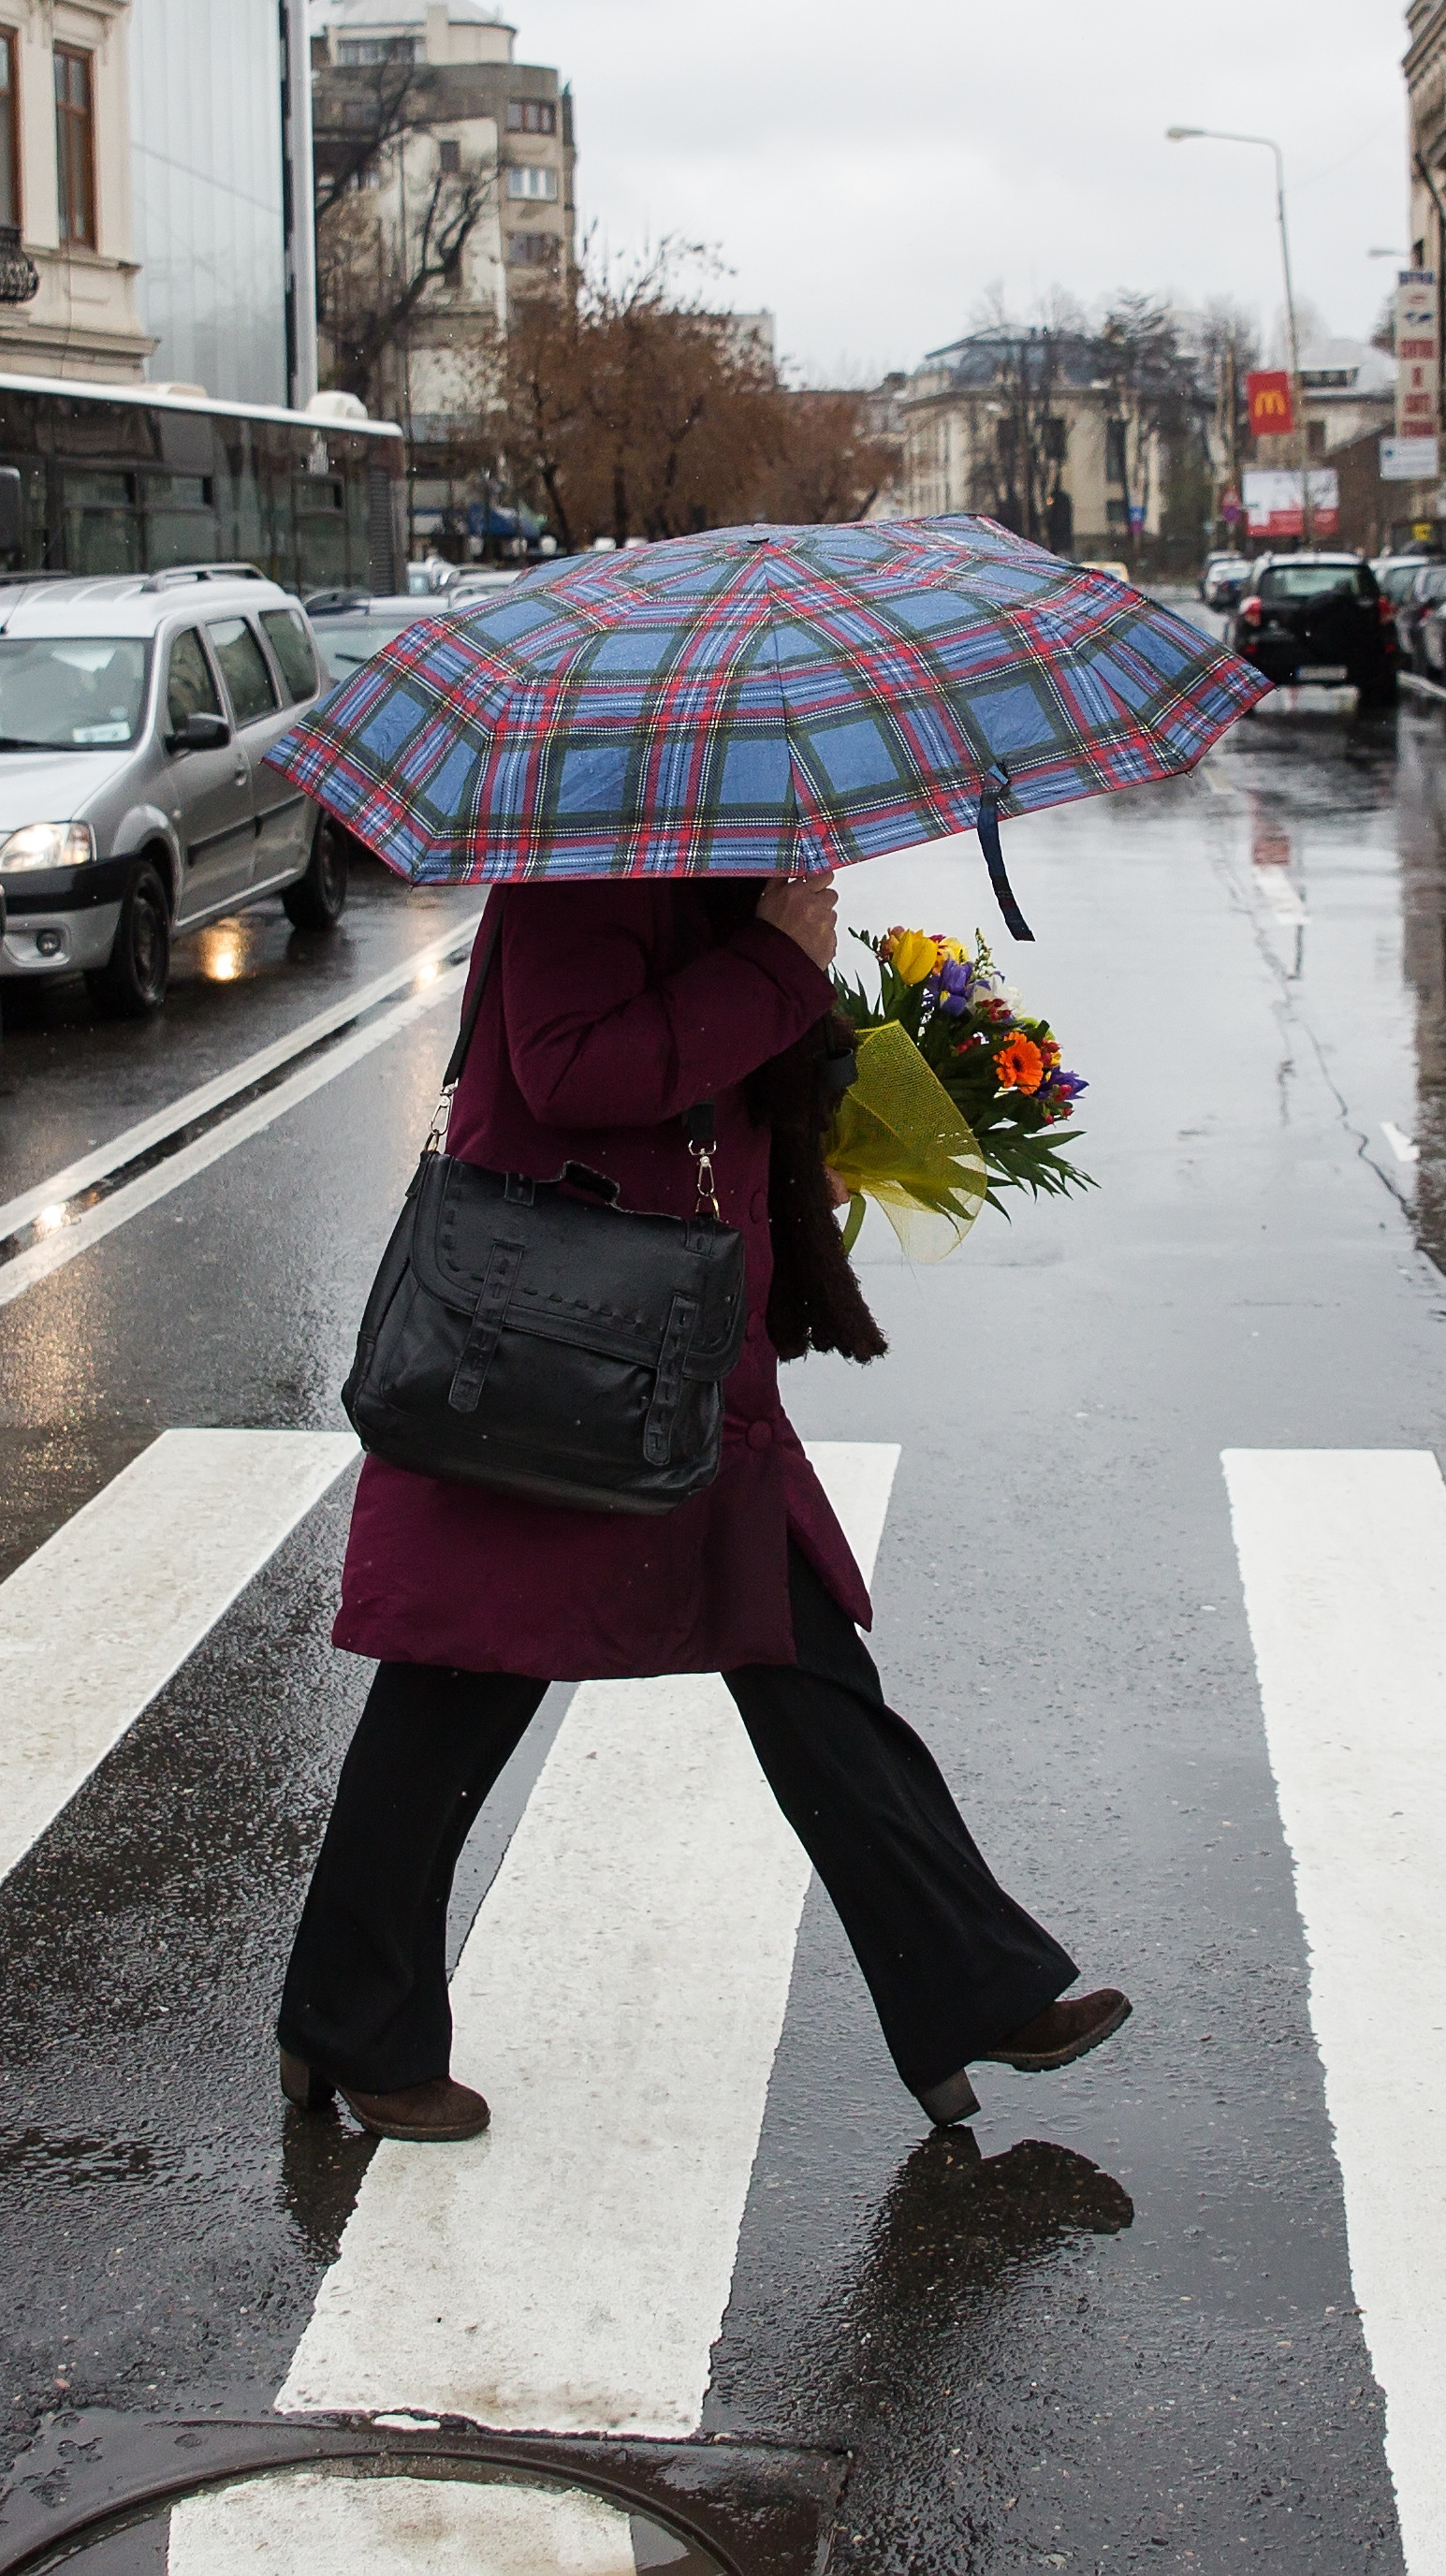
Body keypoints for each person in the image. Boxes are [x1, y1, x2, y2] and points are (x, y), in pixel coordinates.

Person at [279, 866, 1125, 2143]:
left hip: (666, 1349)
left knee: (810, 1680)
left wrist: (806, 1134)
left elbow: (696, 1059)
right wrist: (777, 962)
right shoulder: (588, 850)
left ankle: (968, 1986)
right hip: (562, 1353)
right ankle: (345, 2023)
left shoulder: (702, 843)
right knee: (449, 1699)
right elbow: (568, 1069)